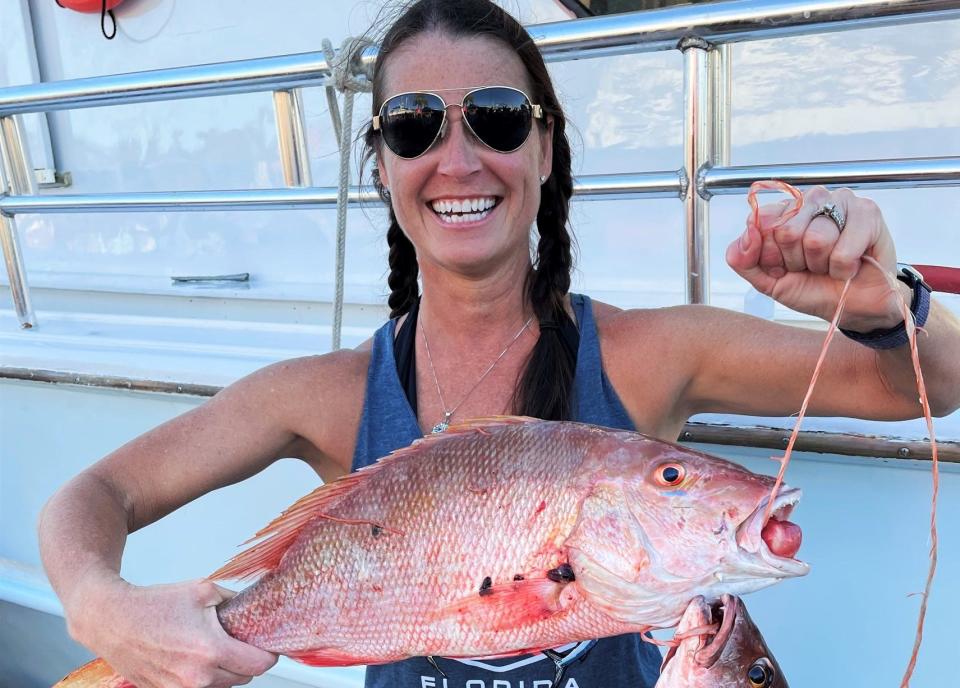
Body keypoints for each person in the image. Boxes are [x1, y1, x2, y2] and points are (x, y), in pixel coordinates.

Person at [38, 1, 960, 687]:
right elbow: (94, 496)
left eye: (498, 118)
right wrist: (104, 609)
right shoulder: (324, 393)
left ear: (547, 149)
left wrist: (885, 300)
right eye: (414, 128)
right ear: (386, 167)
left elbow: (923, 385)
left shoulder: (645, 353)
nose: (459, 157)